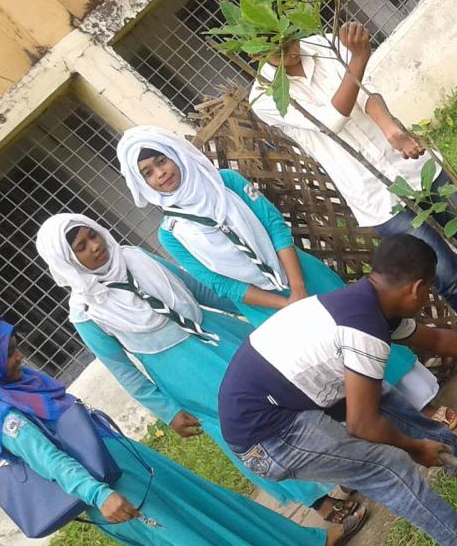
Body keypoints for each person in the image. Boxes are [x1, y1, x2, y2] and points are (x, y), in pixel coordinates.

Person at [0, 309, 349, 546]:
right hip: (110, 490)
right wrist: (100, 495)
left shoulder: (23, 384)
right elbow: (51, 461)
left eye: (15, 347)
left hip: (126, 463)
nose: (18, 357)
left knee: (209, 509)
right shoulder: (2, 415)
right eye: (6, 355)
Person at [218, 236, 457, 546]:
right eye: (429, 289)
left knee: (379, 394)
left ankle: (455, 453)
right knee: (387, 468)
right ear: (416, 288)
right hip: (269, 436)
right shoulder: (363, 327)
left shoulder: (369, 303)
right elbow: (362, 425)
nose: (428, 297)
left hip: (281, 402)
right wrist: (415, 448)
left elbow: (435, 339)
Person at [249, 25, 457, 383]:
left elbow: (366, 94)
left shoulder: (320, 44)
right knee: (447, 276)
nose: (291, 50)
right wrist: (359, 57)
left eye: (289, 39)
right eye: (277, 49)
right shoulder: (265, 96)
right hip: (376, 195)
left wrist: (392, 130)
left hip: (413, 165)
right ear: (254, 53)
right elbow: (331, 120)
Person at [34, 213, 368, 528]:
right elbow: (122, 369)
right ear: (67, 262)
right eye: (81, 247)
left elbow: (195, 288)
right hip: (184, 372)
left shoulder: (135, 257)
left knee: (289, 390)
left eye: (92, 235)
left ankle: (346, 460)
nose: (95, 246)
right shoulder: (87, 312)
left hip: (220, 334)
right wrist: (168, 411)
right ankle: (319, 501)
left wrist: (255, 307)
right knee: (251, 431)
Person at [116, 125, 457, 428]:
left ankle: (422, 403)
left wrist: (297, 288)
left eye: (161, 161)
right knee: (332, 364)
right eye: (148, 173)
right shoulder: (171, 233)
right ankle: (397, 422)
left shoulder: (227, 183)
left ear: (176, 154)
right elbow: (220, 284)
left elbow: (275, 226)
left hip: (301, 274)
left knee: (364, 331)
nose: (160, 174)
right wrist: (285, 304)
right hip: (264, 309)